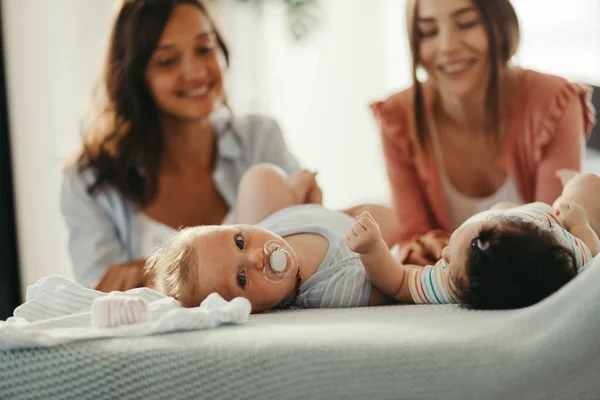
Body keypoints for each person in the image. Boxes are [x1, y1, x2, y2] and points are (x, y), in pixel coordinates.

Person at [60, 0, 316, 292]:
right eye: (167, 61)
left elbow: (306, 248)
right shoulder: (89, 180)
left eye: (204, 49)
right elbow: (98, 294)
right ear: (135, 76)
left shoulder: (259, 138)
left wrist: (149, 273)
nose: (195, 72)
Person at [371, 0, 596, 265]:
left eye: (466, 23)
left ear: (501, 25)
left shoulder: (555, 102)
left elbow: (554, 237)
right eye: (428, 31)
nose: (447, 47)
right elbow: (412, 239)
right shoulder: (397, 118)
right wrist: (422, 247)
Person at [146, 163, 401, 313]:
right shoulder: (332, 289)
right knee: (390, 220)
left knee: (260, 177)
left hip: (287, 218)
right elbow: (393, 284)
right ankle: (320, 210)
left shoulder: (266, 232)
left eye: (239, 242)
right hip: (355, 236)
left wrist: (310, 214)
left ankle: (310, 206)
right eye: (242, 279)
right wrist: (374, 248)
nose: (257, 256)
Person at [348, 171, 600, 310]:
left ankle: (509, 209)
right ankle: (572, 185)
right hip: (549, 217)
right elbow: (591, 249)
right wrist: (578, 223)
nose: (443, 255)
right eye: (449, 261)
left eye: (447, 262)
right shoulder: (563, 248)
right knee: (587, 185)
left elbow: (398, 281)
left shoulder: (455, 281)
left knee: (504, 205)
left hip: (509, 216)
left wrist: (372, 249)